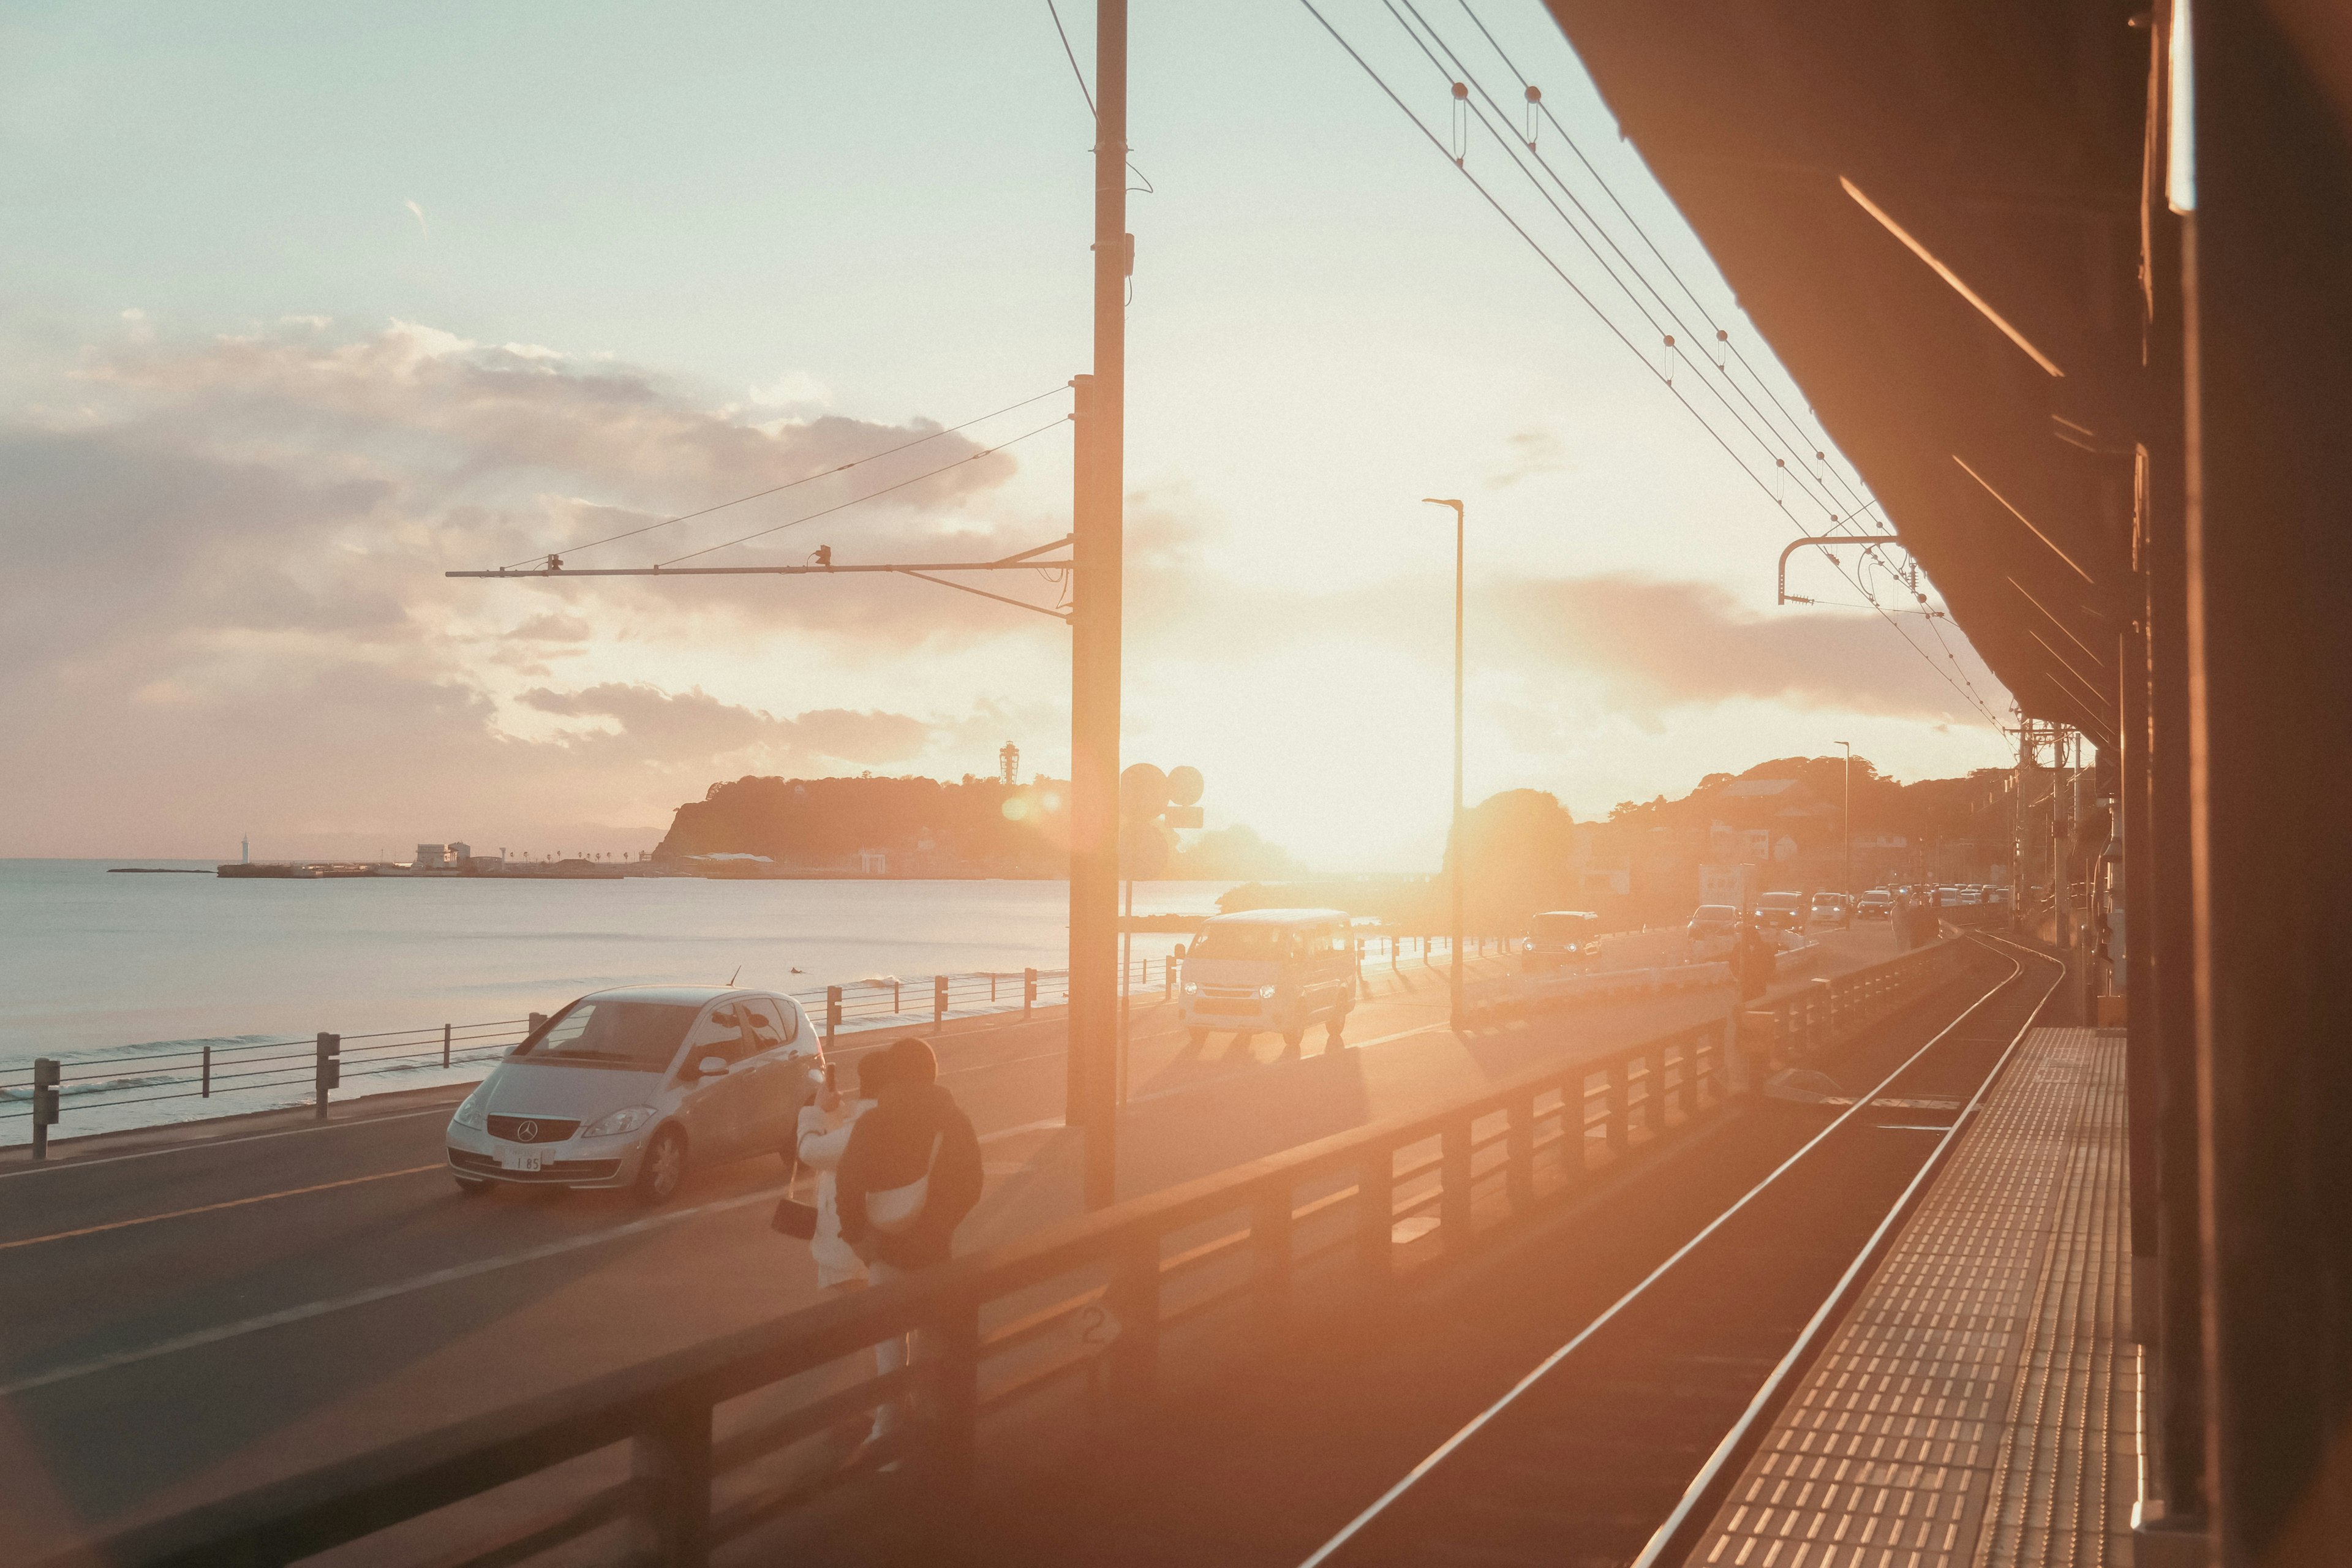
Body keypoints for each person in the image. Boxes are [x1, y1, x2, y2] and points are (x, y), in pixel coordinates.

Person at [836, 1036, 984, 1447]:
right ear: (932, 1073)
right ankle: (932, 1428)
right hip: (936, 1250)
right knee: (932, 1336)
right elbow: (972, 1183)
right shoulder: (953, 1119)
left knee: (889, 1346)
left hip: (885, 1248)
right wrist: (941, 1223)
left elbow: (847, 1185)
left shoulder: (874, 1122)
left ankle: (888, 1436)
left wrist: (859, 1238)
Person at [796, 1052, 891, 1292]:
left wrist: (816, 1111)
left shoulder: (866, 1128)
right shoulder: (886, 1121)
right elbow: (841, 1146)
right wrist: (835, 1112)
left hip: (848, 1256)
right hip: (867, 1250)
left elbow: (810, 1151)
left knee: (856, 1321)